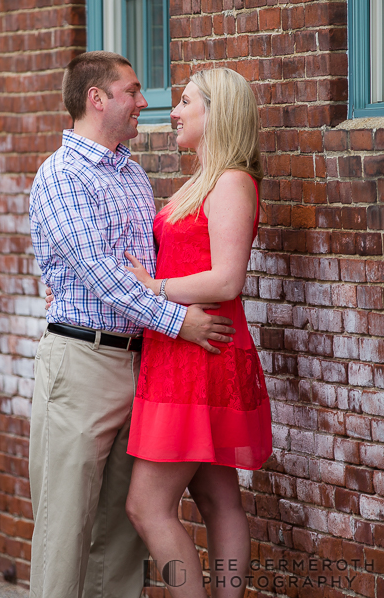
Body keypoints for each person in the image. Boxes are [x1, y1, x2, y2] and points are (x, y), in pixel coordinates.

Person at [28, 51, 237, 598]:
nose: (145, 102)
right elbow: (103, 276)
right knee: (65, 526)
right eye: (133, 91)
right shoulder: (62, 176)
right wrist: (179, 322)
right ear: (97, 99)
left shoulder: (132, 175)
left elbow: (148, 270)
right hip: (82, 367)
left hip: (142, 364)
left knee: (120, 536)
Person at [124, 67, 272, 598]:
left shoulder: (232, 181)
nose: (174, 111)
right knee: (216, 500)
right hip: (182, 351)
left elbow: (228, 278)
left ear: (217, 113)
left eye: (186, 101)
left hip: (201, 355)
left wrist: (153, 288)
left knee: (147, 506)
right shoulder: (203, 181)